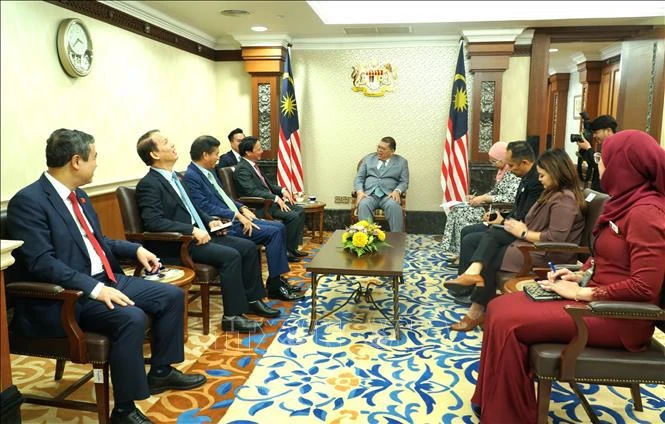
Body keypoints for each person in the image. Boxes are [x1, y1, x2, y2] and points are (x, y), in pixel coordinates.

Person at [6, 129, 206, 424]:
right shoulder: (29, 202)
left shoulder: (81, 197)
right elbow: (41, 263)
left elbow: (99, 241)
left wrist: (135, 249)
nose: (97, 163)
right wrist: (95, 288)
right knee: (132, 317)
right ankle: (124, 410)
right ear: (76, 161)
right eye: (94, 157)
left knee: (171, 296)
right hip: (67, 296)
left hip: (106, 278)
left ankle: (161, 372)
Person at [470, 130, 665, 423]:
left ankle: (508, 415)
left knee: (509, 321)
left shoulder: (646, 213)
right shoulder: (626, 203)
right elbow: (607, 257)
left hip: (619, 318)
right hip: (596, 303)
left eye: (603, 158)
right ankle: (498, 403)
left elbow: (645, 286)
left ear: (624, 166)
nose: (598, 163)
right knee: (498, 308)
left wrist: (583, 293)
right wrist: (580, 274)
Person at [135, 130, 280, 333]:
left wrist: (210, 221)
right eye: (166, 142)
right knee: (231, 256)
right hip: (179, 244)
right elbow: (154, 222)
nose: (173, 144)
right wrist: (192, 230)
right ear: (155, 154)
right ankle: (231, 317)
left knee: (247, 247)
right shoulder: (149, 184)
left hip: (202, 236)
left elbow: (193, 209)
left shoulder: (177, 178)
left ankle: (252, 300)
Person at [447, 149, 585, 331]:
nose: (540, 179)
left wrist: (523, 233)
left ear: (555, 173)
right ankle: (477, 295)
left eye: (543, 175)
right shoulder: (552, 193)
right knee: (492, 234)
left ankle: (476, 308)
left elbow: (556, 238)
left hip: (546, 253)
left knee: (489, 256)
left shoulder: (565, 200)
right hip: (531, 245)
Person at [183, 135, 304, 301]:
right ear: (205, 155)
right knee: (274, 232)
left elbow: (224, 197)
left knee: (279, 228)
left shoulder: (208, 172)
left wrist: (243, 208)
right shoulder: (192, 177)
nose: (219, 157)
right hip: (225, 224)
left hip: (236, 217)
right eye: (216, 154)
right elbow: (205, 207)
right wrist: (237, 216)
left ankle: (277, 280)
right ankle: (275, 285)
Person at [446, 141, 544, 306]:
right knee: (468, 232)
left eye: (511, 165)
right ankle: (465, 283)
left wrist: (504, 220)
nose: (509, 169)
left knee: (472, 240)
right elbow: (518, 208)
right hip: (511, 224)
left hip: (521, 231)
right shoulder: (526, 176)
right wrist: (500, 217)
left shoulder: (536, 181)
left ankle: (469, 285)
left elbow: (526, 216)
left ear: (525, 162)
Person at [234, 136, 307, 259]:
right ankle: (285, 252)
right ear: (248, 152)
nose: (262, 151)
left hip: (269, 202)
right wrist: (275, 198)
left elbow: (268, 185)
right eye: (259, 148)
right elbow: (252, 191)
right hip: (259, 206)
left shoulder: (253, 165)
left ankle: (291, 248)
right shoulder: (242, 169)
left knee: (300, 210)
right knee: (293, 216)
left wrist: (282, 190)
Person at [442, 141, 520, 256]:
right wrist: (478, 197)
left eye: (494, 161)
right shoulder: (502, 173)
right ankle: (458, 252)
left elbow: (510, 198)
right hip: (490, 207)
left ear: (503, 159)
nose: (493, 165)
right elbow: (494, 192)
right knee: (456, 210)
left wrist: (485, 198)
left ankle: (463, 254)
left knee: (461, 214)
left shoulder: (513, 173)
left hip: (498, 212)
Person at [353, 136, 409, 232]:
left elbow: (404, 181)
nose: (379, 150)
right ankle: (367, 238)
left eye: (383, 148)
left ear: (392, 151)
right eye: (378, 147)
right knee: (363, 204)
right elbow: (359, 178)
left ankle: (397, 239)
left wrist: (397, 191)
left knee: (394, 206)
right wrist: (359, 192)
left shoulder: (402, 162)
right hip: (369, 195)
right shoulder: (368, 159)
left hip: (389, 196)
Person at [575, 115, 617, 192]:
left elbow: (601, 166)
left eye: (596, 132)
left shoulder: (617, 147)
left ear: (608, 131)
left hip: (606, 195)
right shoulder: (605, 146)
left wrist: (588, 148)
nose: (594, 136)